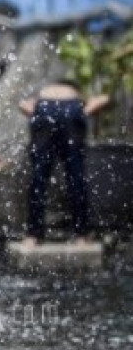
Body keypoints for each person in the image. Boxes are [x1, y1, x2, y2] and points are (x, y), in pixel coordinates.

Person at [18, 78, 109, 247]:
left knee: (39, 176)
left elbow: (22, 104)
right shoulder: (75, 93)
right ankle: (81, 235)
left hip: (44, 110)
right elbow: (103, 99)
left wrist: (38, 113)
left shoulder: (45, 91)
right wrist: (84, 111)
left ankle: (32, 235)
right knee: (76, 176)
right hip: (72, 110)